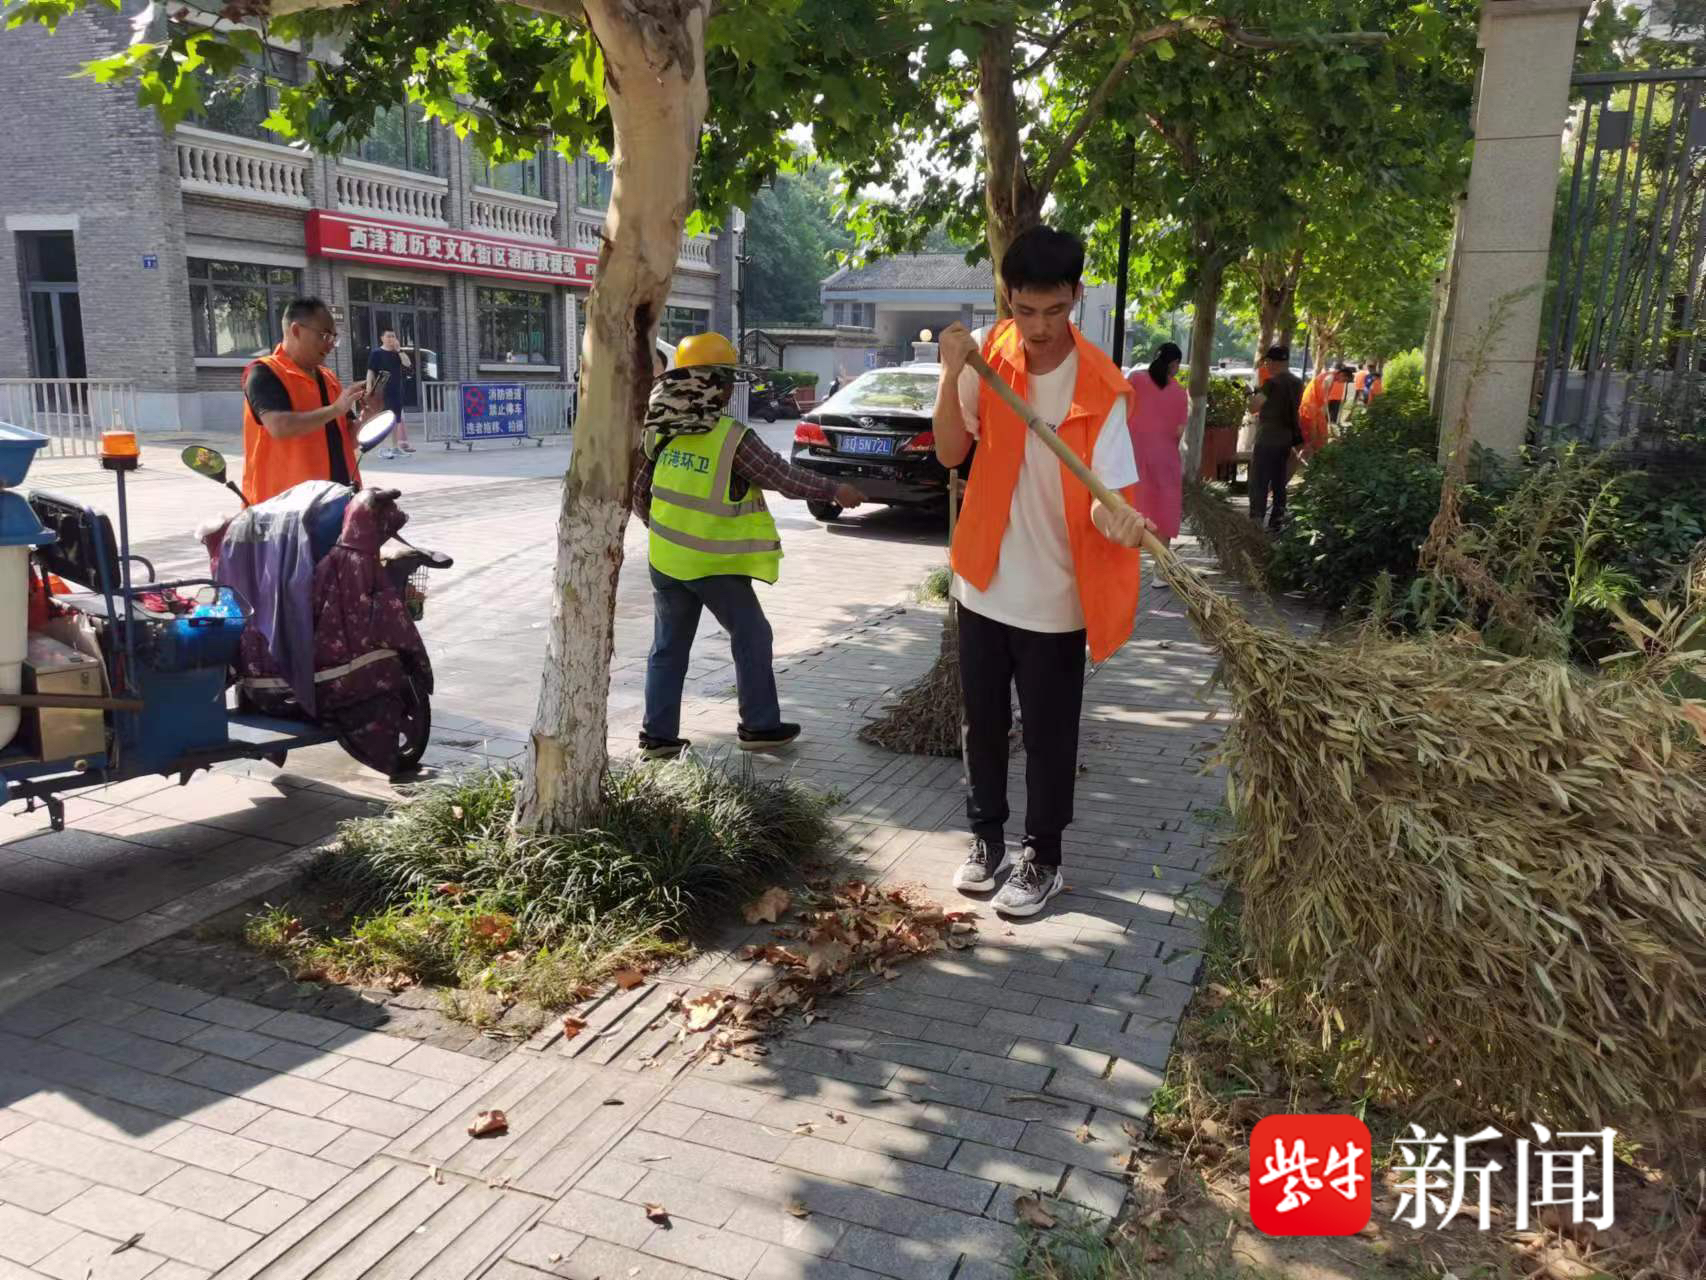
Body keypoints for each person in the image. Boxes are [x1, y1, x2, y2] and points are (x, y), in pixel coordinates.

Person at [933, 225, 1154, 918]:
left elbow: (1104, 498)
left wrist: (1115, 518)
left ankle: (1044, 857)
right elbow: (948, 453)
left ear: (1076, 298)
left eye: (1053, 311)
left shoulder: (1104, 387)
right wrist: (950, 373)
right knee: (983, 722)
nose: (1037, 327)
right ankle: (986, 841)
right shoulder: (991, 356)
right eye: (1024, 310)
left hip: (1057, 596)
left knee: (1052, 734)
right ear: (1009, 299)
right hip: (984, 580)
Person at [634, 331, 866, 760]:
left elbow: (639, 494)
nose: (727, 391)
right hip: (713, 565)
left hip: (665, 559)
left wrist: (668, 529)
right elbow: (783, 477)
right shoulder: (730, 437)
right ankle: (759, 726)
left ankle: (658, 738)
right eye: (725, 381)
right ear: (713, 385)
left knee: (668, 649)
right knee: (752, 635)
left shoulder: (659, 431)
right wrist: (835, 490)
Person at [242, 298, 370, 506]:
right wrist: (335, 408)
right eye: (324, 335)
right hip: (284, 511)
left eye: (334, 338)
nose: (330, 345)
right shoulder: (264, 372)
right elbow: (279, 426)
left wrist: (370, 412)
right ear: (296, 330)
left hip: (337, 500)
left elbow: (348, 439)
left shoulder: (328, 378)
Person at [1126, 341, 1187, 546]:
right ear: (1175, 363)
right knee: (1164, 511)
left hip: (1134, 457)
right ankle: (1161, 573)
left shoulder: (1136, 379)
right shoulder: (1179, 392)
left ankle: (1130, 570)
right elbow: (1179, 431)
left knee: (1133, 508)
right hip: (1165, 460)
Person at [1246, 345, 1303, 530]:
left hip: (1267, 438)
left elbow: (1254, 407)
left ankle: (1256, 519)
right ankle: (1277, 520)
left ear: (1274, 362)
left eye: (1267, 362)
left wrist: (1250, 396)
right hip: (1286, 438)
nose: (1266, 366)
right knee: (1279, 481)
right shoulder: (1297, 383)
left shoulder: (1272, 383)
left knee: (1259, 480)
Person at [363, 330, 415, 459]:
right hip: (381, 391)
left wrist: (399, 350)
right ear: (382, 338)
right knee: (383, 420)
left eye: (393, 336)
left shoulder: (396, 353)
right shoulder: (376, 353)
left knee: (395, 420)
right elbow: (370, 372)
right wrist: (369, 389)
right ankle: (382, 448)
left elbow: (408, 364)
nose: (392, 339)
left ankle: (395, 447)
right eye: (389, 336)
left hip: (396, 390)